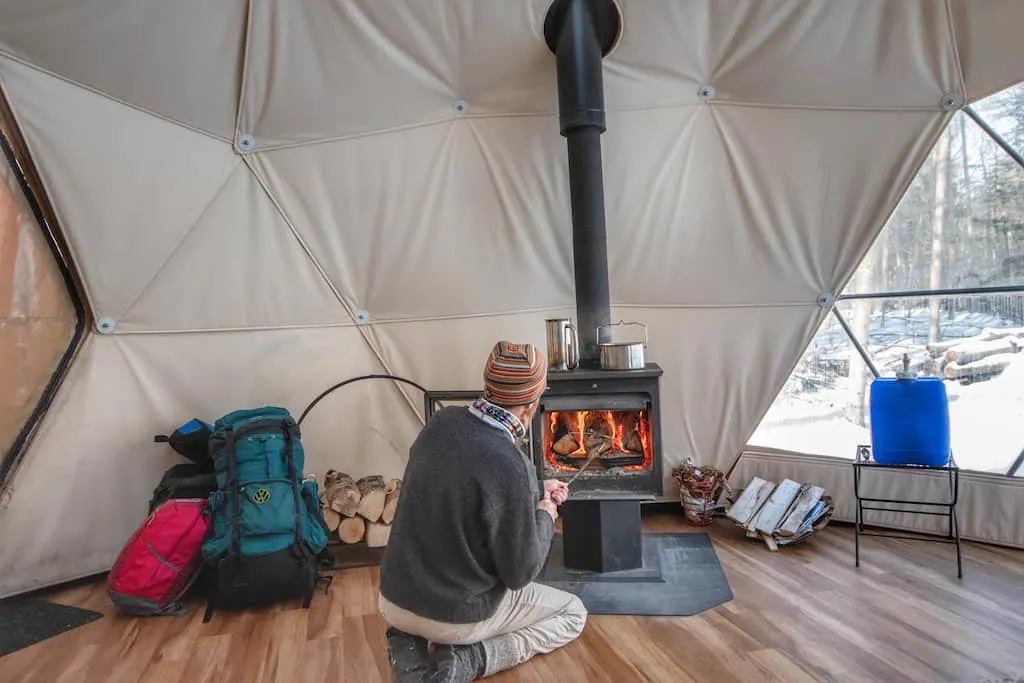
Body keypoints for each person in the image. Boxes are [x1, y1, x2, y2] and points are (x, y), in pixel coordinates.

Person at [378, 340, 587, 681]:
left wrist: (534, 491)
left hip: (393, 597)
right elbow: (520, 573)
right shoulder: (511, 464)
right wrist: (546, 512)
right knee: (572, 613)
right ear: (531, 405)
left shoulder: (440, 422)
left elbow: (472, 487)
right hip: (453, 613)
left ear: (487, 385)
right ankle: (469, 660)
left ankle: (408, 641)